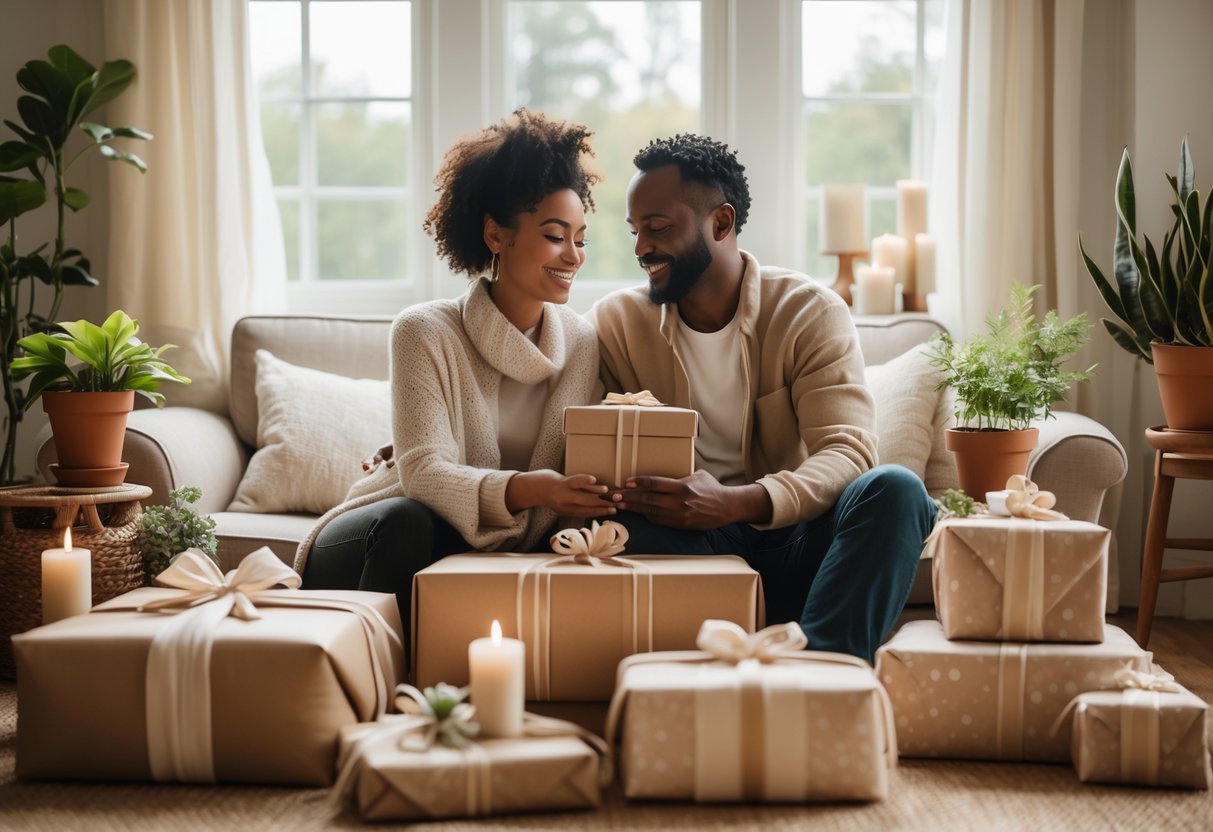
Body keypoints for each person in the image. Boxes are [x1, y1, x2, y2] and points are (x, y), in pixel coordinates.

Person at [588, 133, 935, 663]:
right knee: (613, 528)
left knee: (897, 489)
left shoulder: (808, 311)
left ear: (720, 224)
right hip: (693, 546)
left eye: (657, 229)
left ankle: (820, 676)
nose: (640, 249)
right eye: (635, 231)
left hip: (800, 538)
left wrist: (737, 501)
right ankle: (704, 670)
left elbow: (849, 451)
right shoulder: (616, 323)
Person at [294, 109, 615, 632]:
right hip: (387, 530)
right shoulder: (424, 330)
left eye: (581, 238)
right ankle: (387, 694)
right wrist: (532, 488)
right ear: (496, 235)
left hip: (493, 542)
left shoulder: (581, 342)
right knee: (409, 523)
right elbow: (423, 474)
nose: (574, 256)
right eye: (556, 236)